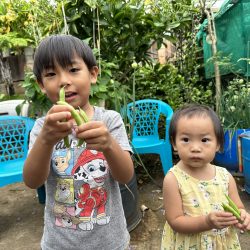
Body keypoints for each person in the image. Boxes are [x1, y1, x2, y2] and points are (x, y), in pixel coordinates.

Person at [23, 34, 134, 250]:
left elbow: (125, 176)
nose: (64, 80)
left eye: (73, 70)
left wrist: (109, 145)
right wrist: (46, 140)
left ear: (93, 74)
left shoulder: (109, 121)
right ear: (41, 85)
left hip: (110, 242)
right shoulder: (42, 128)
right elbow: (32, 181)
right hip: (60, 243)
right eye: (51, 74)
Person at [161, 104, 250, 249]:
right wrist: (207, 222)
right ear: (174, 143)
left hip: (221, 243)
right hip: (191, 244)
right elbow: (175, 221)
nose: (195, 148)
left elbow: (238, 207)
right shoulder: (173, 179)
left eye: (204, 140)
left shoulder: (225, 177)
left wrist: (242, 216)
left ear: (218, 144)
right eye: (185, 139)